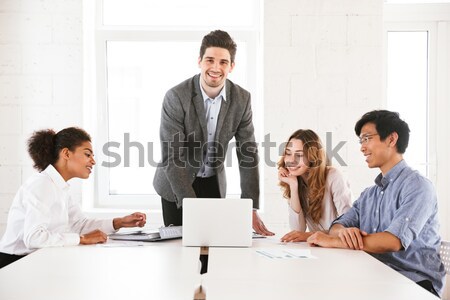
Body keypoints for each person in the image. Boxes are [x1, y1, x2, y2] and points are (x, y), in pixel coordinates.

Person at [306, 110, 445, 297]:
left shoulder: (418, 186)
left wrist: (334, 241)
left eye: (367, 138)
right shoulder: (369, 194)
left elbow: (393, 241)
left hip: (412, 284)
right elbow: (337, 226)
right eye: (361, 141)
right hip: (375, 277)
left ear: (391, 139)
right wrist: (343, 233)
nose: (362, 148)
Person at [153, 29, 273, 236]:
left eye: (223, 62)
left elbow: (248, 154)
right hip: (176, 183)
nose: (216, 68)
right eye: (210, 60)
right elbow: (173, 157)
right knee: (179, 247)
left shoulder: (241, 100)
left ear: (231, 66)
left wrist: (250, 207)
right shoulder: (176, 97)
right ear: (199, 61)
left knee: (213, 245)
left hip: (212, 183)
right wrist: (192, 209)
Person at [0, 127, 147, 269]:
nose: (93, 161)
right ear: (66, 153)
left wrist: (119, 222)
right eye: (87, 154)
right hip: (14, 263)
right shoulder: (42, 184)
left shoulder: (60, 187)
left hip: (36, 259)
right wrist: (81, 239)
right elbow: (34, 238)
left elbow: (79, 224)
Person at [277, 129, 352, 242]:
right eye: (288, 153)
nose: (291, 160)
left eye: (299, 155)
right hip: (319, 249)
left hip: (340, 247)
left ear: (312, 157)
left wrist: (308, 235)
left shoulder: (333, 176)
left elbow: (348, 225)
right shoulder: (296, 181)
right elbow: (298, 230)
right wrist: (293, 186)